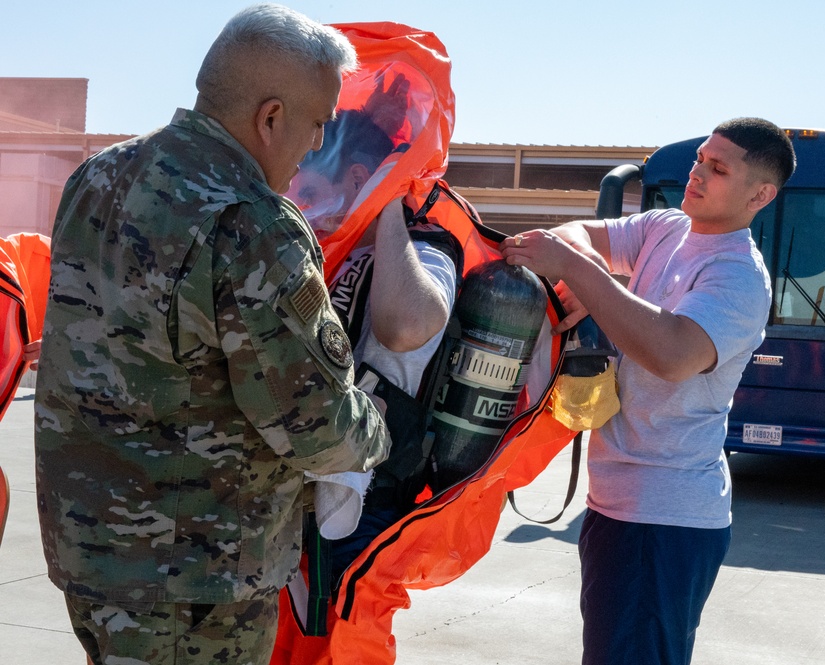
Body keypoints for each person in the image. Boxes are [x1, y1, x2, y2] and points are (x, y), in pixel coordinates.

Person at [33, 5, 391, 664]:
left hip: (92, 556)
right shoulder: (253, 223)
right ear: (271, 116)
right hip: (195, 582)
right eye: (317, 124)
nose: (316, 145)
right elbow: (313, 421)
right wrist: (376, 428)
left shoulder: (97, 178)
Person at [501, 117, 796, 665]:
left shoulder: (737, 276)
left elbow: (672, 354)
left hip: (664, 517)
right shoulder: (667, 228)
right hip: (617, 505)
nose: (698, 173)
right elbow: (580, 234)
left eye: (718, 167)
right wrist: (586, 269)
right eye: (700, 159)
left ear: (761, 194)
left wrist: (583, 277)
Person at [277, 107, 457, 648]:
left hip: (366, 504)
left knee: (345, 645)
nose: (299, 200)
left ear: (359, 179)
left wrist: (386, 207)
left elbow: (406, 326)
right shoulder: (321, 248)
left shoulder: (422, 248)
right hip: (293, 492)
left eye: (307, 185)